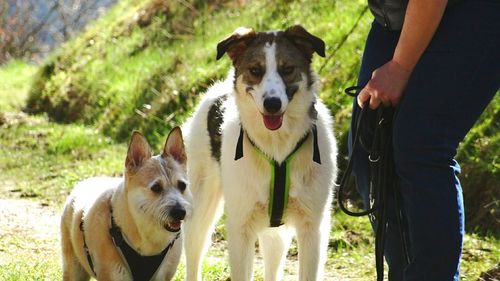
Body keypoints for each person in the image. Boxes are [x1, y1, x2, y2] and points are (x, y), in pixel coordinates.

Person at [348, 0, 500, 280]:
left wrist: (400, 67)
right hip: (394, 13)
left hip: (478, 10)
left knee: (421, 141)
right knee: (369, 145)